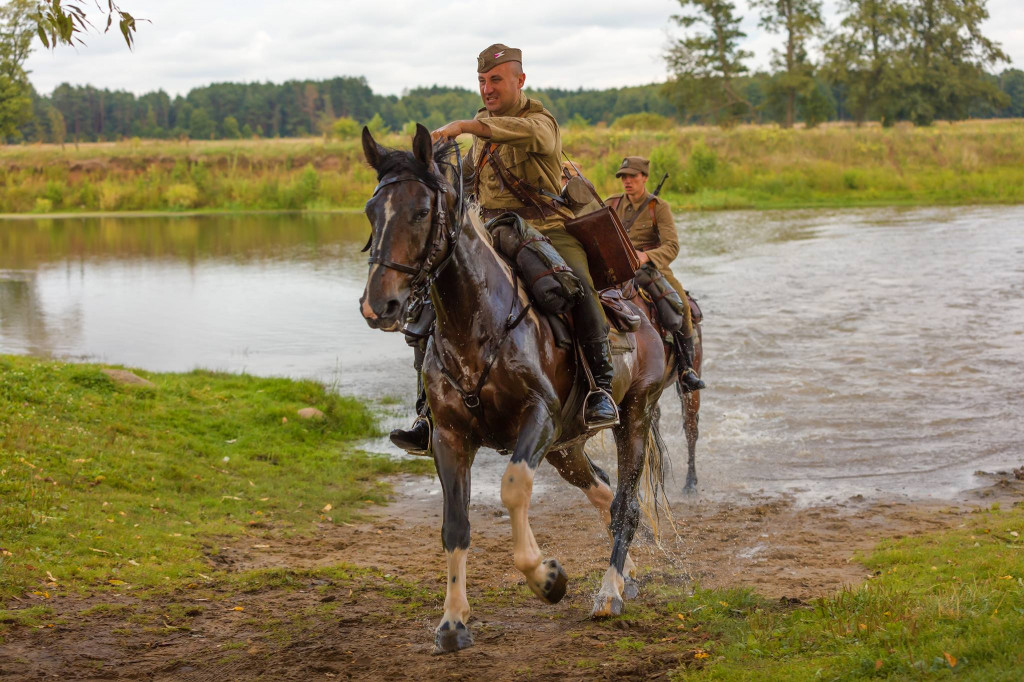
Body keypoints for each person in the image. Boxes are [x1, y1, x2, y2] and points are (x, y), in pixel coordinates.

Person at [388, 43, 619, 453]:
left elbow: (526, 136)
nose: (487, 88)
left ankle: (599, 389)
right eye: (481, 81)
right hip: (492, 230)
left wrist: (464, 127)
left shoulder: (540, 121)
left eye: (495, 80)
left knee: (578, 284)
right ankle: (427, 412)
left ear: (520, 80)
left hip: (546, 228)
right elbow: (467, 181)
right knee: (431, 299)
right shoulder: (481, 127)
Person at [606, 156, 705, 391]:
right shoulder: (611, 204)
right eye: (623, 177)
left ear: (645, 178)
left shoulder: (657, 208)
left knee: (679, 305)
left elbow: (672, 246)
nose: (627, 181)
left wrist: (645, 256)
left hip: (650, 269)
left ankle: (686, 368)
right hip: (616, 270)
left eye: (632, 176)